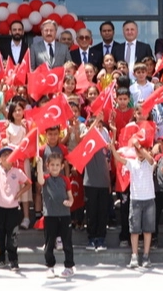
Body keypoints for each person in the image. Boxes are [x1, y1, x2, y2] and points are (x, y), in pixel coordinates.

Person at [0, 146, 30, 271]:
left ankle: (13, 260)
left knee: (12, 235)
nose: (7, 156)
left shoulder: (17, 172)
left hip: (13, 208)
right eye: (4, 154)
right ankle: (0, 259)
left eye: (9, 154)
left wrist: (20, 193)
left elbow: (28, 184)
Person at [38, 153, 76, 278]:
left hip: (65, 215)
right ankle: (50, 267)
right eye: (52, 165)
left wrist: (70, 202)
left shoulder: (65, 180)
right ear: (47, 166)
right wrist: (39, 165)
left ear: (61, 166)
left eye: (57, 165)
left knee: (67, 242)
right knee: (49, 242)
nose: (55, 167)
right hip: (50, 215)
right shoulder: (45, 179)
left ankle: (69, 266)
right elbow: (40, 180)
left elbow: (70, 196)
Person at [122, 141, 158, 269]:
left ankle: (146, 256)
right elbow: (119, 159)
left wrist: (140, 147)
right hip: (136, 200)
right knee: (135, 230)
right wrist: (113, 148)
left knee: (148, 230)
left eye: (142, 149)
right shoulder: (132, 163)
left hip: (149, 199)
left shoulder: (150, 163)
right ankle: (134, 256)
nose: (139, 152)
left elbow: (152, 160)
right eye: (137, 150)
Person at [82, 119, 113, 249]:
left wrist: (109, 183)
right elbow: (83, 138)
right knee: (91, 212)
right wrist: (93, 126)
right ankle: (91, 238)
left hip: (104, 183)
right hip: (90, 183)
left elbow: (108, 163)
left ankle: (101, 239)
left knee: (102, 212)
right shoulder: (88, 143)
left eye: (100, 126)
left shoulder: (105, 145)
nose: (98, 129)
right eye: (95, 126)